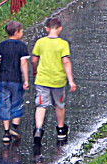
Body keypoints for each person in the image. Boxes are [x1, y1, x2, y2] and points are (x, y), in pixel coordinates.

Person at [30, 15, 76, 145]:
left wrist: (35, 70)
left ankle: (38, 130)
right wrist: (71, 80)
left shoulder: (40, 42)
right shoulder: (63, 44)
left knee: (41, 105)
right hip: (58, 80)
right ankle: (61, 129)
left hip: (42, 79)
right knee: (59, 105)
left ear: (46, 29)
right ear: (60, 28)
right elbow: (66, 61)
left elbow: (34, 60)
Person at [0, 20, 30, 142]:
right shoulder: (22, 46)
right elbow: (23, 64)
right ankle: (14, 127)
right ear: (16, 32)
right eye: (21, 31)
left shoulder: (2, 45)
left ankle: (6, 132)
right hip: (16, 80)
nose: (23, 33)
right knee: (16, 102)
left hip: (3, 80)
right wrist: (26, 80)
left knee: (4, 104)